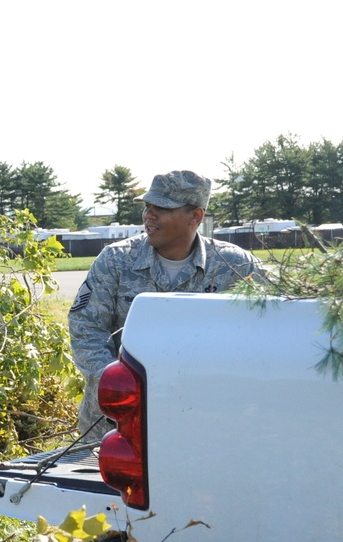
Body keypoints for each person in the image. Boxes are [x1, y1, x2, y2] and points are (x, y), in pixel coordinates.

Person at [69, 170, 267, 442]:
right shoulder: (116, 260)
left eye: (162, 208)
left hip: (205, 424)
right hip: (117, 427)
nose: (148, 216)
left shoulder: (236, 266)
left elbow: (271, 327)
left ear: (195, 216)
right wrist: (119, 384)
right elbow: (85, 329)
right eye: (148, 207)